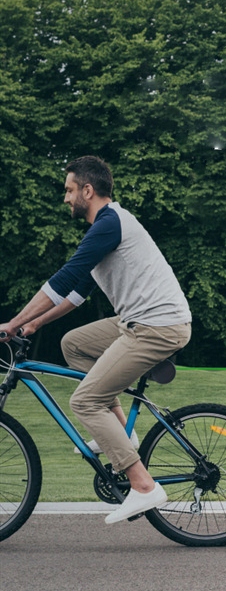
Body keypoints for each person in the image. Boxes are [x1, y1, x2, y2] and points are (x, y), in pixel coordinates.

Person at [0, 156, 192, 524]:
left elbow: (65, 276)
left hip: (156, 326)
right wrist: (34, 324)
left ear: (88, 190)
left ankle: (144, 487)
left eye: (69, 190)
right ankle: (123, 433)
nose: (66, 198)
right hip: (138, 321)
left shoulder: (109, 223)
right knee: (74, 344)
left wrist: (13, 322)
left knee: (85, 400)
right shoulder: (104, 229)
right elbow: (76, 293)